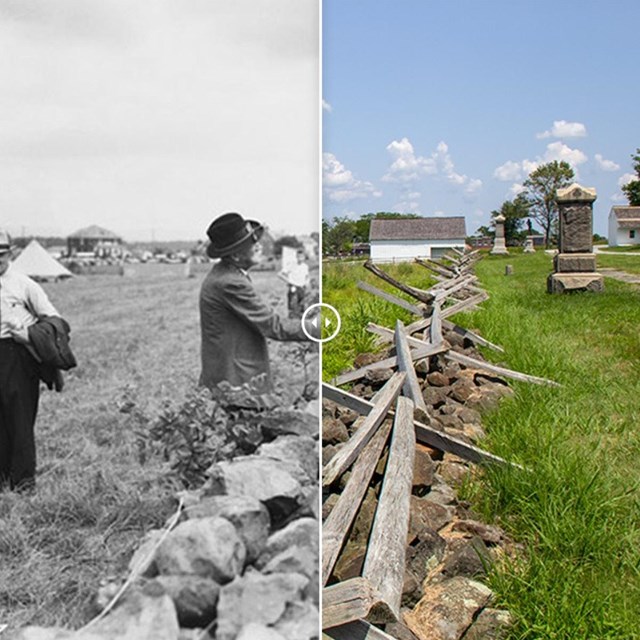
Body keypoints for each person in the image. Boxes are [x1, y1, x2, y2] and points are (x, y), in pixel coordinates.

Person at [199, 212, 310, 394]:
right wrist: (316, 327)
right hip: (236, 381)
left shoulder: (227, 274)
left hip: (228, 376)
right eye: (252, 243)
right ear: (235, 255)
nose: (259, 246)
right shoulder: (230, 282)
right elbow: (273, 326)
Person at [0, 230, 60, 492]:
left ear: (10, 253)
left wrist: (29, 335)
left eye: (0, 255)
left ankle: (23, 484)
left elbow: (55, 320)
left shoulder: (25, 285)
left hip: (17, 355)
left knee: (20, 418)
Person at [278, 248, 310, 318]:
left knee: (302, 305)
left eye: (301, 257)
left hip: (302, 287)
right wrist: (289, 281)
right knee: (293, 305)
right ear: (296, 257)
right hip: (293, 287)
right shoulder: (292, 265)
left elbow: (307, 276)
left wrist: (307, 282)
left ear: (304, 257)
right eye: (298, 256)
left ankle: (301, 320)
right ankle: (291, 319)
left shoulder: (305, 266)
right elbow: (280, 274)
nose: (300, 258)